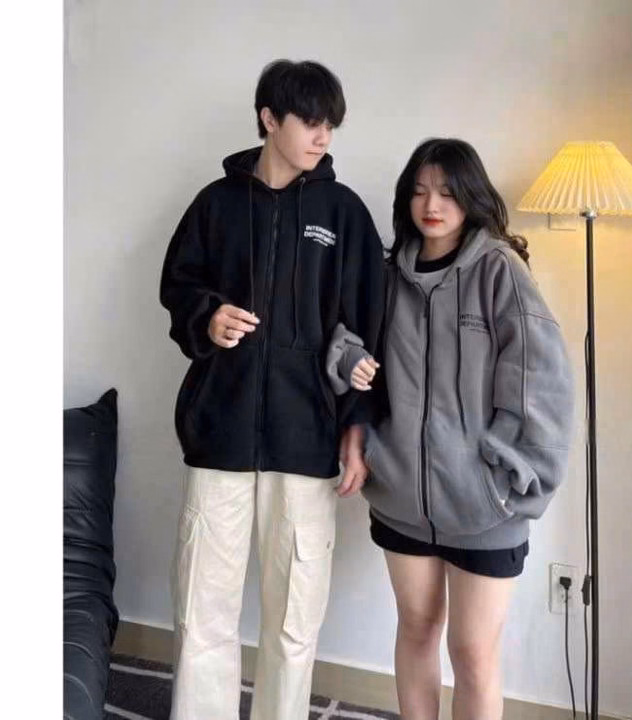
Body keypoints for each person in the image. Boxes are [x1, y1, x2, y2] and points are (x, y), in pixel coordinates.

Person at [159, 59, 385, 720]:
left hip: (306, 437)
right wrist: (209, 318)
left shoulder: (343, 213)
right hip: (219, 433)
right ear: (268, 118)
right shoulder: (216, 204)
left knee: (294, 620)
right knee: (202, 611)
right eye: (310, 121)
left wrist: (357, 431)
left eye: (330, 124)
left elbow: (367, 327)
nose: (323, 136)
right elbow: (179, 288)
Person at [327, 138, 575, 720]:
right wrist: (349, 360)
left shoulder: (499, 270)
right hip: (400, 499)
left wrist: (510, 478)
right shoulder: (387, 275)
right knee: (416, 629)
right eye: (419, 191)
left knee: (473, 653)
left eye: (445, 191)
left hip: (487, 506)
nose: (431, 204)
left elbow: (541, 380)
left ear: (470, 195)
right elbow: (344, 335)